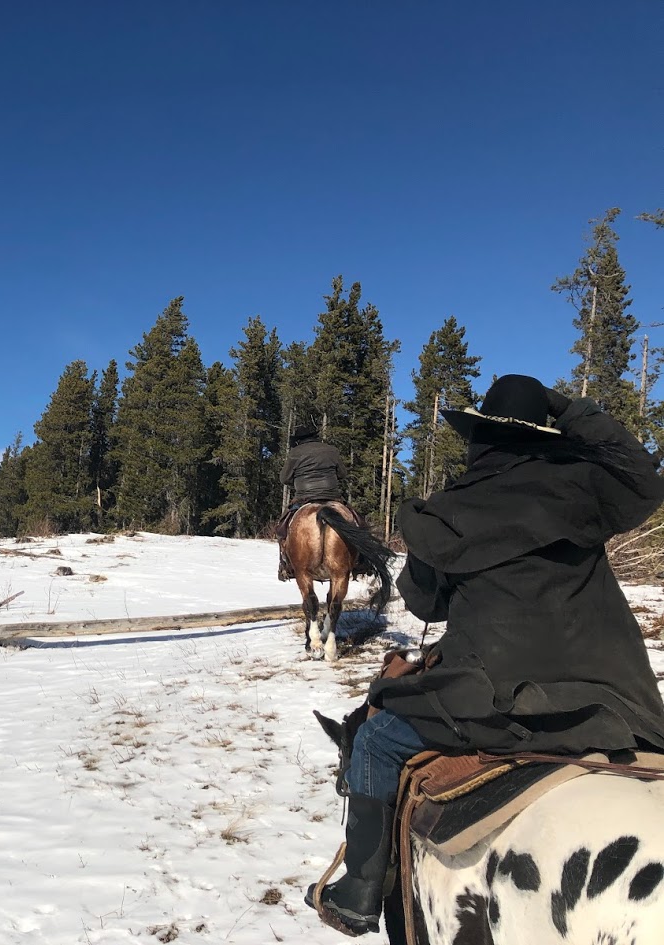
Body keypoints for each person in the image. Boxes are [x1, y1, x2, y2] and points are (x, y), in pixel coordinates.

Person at [306, 374, 664, 937]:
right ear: (545, 435)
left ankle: (357, 892)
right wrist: (571, 409)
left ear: (481, 439)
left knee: (374, 740)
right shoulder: (585, 494)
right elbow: (645, 478)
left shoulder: (449, 511)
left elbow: (423, 603)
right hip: (610, 699)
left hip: (495, 702)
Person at [277, 425, 351, 580]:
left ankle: (286, 563)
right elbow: (342, 474)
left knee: (283, 527)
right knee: (358, 521)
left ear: (298, 440)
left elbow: (284, 478)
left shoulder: (295, 453)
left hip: (304, 497)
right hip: (332, 495)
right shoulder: (331, 450)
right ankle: (362, 560)